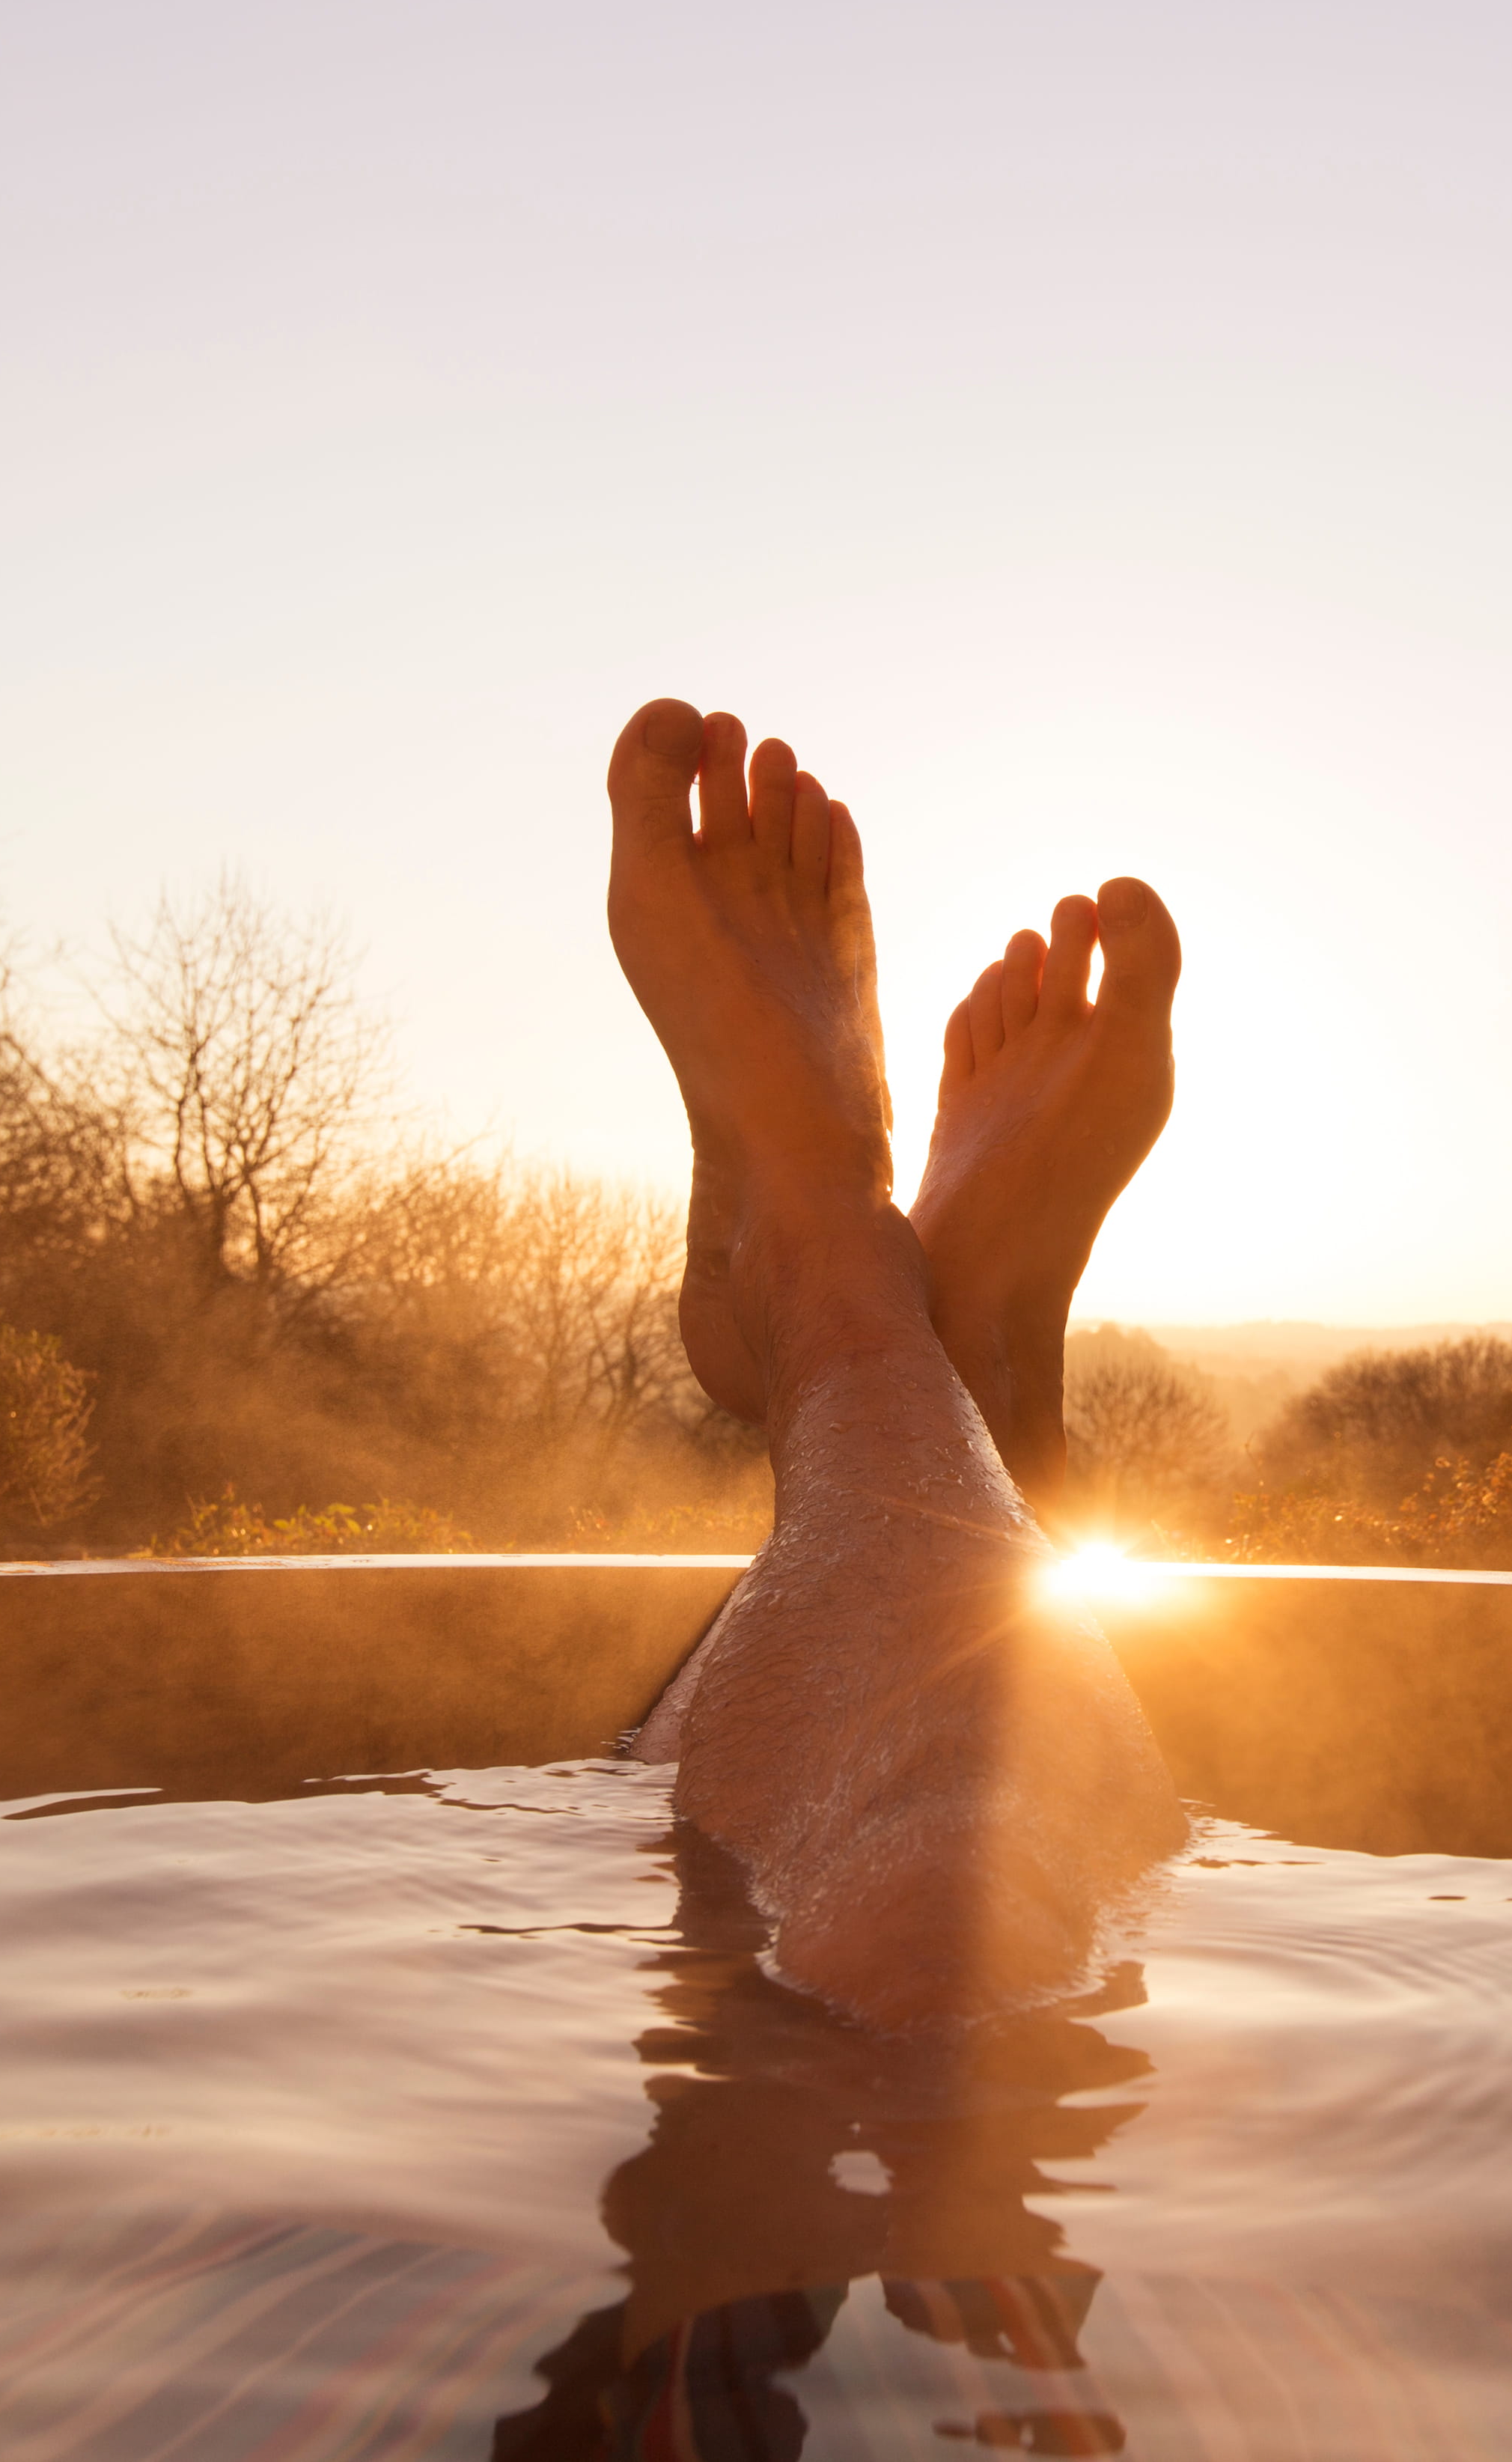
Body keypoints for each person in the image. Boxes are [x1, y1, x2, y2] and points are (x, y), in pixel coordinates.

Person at [603, 697, 1191, 2029]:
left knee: (926, 1892)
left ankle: (826, 1273)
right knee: (967, 1897)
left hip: (763, 2064)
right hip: (1076, 2159)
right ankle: (965, 1367)